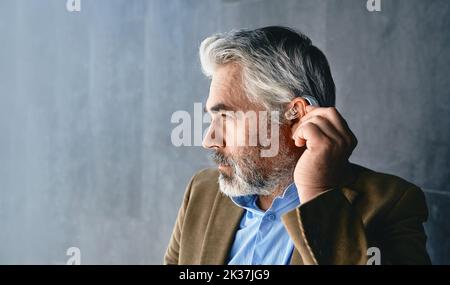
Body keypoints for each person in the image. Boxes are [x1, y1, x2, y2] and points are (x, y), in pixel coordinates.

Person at [164, 26, 431, 265]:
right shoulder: (202, 191)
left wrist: (318, 192)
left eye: (226, 117)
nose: (209, 139)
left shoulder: (392, 204)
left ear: (296, 115)